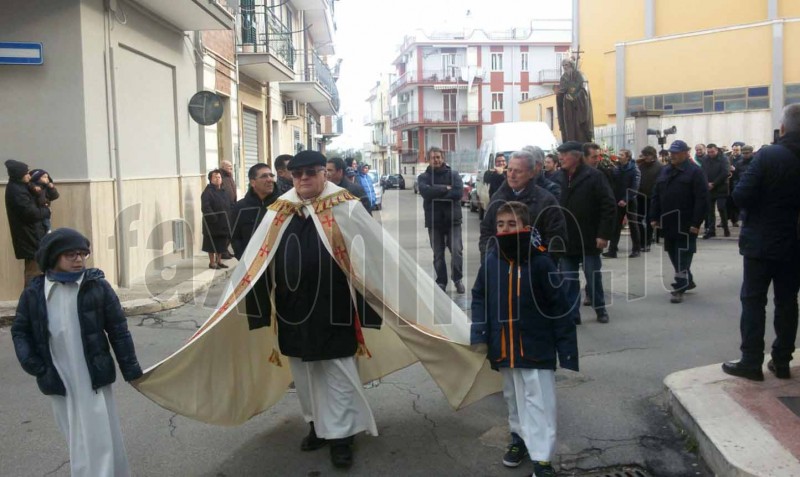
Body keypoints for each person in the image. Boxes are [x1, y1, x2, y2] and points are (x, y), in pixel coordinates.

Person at [11, 228, 142, 477]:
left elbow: (118, 330)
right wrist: (34, 364)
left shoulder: (97, 287)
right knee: (76, 435)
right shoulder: (35, 293)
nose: (79, 259)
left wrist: (131, 368)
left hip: (92, 373)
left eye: (82, 254)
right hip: (58, 374)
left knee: (100, 432)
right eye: (70, 255)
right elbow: (20, 330)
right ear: (53, 257)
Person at [471, 201, 577, 477]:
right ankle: (519, 438)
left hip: (535, 346)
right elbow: (480, 295)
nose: (505, 230)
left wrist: (566, 348)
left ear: (526, 227)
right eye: (500, 225)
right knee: (513, 397)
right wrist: (480, 333)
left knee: (539, 400)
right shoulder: (492, 260)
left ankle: (542, 458)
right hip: (504, 346)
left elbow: (558, 306)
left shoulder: (541, 261)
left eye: (512, 224)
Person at [721, 104, 800, 381]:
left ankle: (751, 361)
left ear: (782, 128)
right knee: (788, 302)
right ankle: (781, 360)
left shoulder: (768, 155)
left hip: (762, 241)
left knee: (753, 301)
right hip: (795, 244)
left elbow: (741, 195)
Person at [554, 141, 617, 324]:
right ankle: (573, 314)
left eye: (564, 154)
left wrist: (604, 234)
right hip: (566, 238)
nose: (561, 158)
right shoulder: (558, 177)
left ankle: (600, 309)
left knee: (593, 276)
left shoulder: (594, 176)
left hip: (590, 237)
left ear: (576, 156)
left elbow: (608, 205)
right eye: (560, 154)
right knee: (568, 280)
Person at [479, 150, 567, 263]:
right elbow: (487, 231)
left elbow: (557, 237)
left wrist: (542, 262)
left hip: (534, 271)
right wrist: (489, 259)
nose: (512, 175)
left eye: (518, 171)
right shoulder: (498, 198)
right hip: (502, 268)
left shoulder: (546, 200)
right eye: (509, 170)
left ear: (531, 173)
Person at [649, 140, 709, 303]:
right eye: (671, 153)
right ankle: (687, 279)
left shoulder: (695, 172)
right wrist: (654, 216)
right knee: (672, 253)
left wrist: (696, 223)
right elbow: (656, 195)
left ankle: (680, 286)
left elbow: (702, 200)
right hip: (668, 221)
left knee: (683, 255)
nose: (672, 155)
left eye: (676, 153)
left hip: (686, 222)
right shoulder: (665, 171)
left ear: (685, 153)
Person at [418, 147, 465, 293]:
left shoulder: (454, 174)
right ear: (429, 159)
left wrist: (435, 193)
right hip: (434, 222)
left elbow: (458, 193)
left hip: (453, 221)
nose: (436, 160)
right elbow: (426, 192)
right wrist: (445, 188)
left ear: (443, 158)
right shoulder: (423, 177)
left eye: (438, 157)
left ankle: (457, 279)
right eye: (433, 157)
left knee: (456, 252)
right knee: (438, 254)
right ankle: (441, 282)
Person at [5, 159, 51, 287]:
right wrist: (46, 211)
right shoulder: (16, 191)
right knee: (34, 272)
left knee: (36, 270)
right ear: (18, 175)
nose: (28, 175)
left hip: (33, 235)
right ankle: (31, 301)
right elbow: (31, 214)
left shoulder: (21, 186)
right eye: (25, 173)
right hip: (29, 237)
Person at [231, 163, 280, 260]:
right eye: (264, 176)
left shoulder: (283, 205)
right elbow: (235, 237)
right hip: (251, 264)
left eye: (271, 175)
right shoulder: (240, 207)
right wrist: (242, 258)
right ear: (253, 182)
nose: (270, 180)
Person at [604, 149, 642, 258]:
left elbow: (635, 188)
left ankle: (636, 249)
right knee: (616, 225)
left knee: (633, 225)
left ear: (627, 157)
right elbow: (613, 183)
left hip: (630, 201)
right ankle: (612, 250)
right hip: (618, 200)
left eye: (621, 155)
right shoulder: (617, 168)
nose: (619, 156)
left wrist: (625, 200)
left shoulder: (634, 170)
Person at [556, 58, 594, 143]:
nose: (564, 67)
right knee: (569, 128)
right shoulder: (563, 77)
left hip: (579, 108)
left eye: (566, 65)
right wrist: (559, 95)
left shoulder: (579, 75)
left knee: (579, 129)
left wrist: (575, 97)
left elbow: (584, 90)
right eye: (563, 65)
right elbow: (562, 90)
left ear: (571, 65)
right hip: (567, 107)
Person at [201, 169, 233, 269]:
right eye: (215, 177)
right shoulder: (208, 192)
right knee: (211, 243)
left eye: (219, 177)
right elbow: (206, 207)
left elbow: (228, 204)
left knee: (221, 243)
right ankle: (212, 262)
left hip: (223, 221)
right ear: (210, 179)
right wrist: (213, 218)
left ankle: (219, 261)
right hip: (212, 223)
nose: (218, 179)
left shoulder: (223, 191)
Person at [635, 146, 663, 252]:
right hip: (640, 196)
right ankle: (641, 241)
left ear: (653, 155)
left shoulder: (659, 167)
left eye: (648, 155)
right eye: (644, 155)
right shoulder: (640, 165)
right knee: (638, 219)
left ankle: (647, 243)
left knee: (649, 221)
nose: (645, 157)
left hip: (652, 197)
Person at [701, 143, 731, 238]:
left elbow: (725, 172)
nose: (711, 154)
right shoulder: (705, 159)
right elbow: (703, 171)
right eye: (709, 152)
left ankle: (726, 228)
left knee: (721, 208)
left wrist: (714, 183)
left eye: (712, 152)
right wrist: (706, 183)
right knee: (710, 210)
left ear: (717, 150)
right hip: (709, 187)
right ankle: (711, 230)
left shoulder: (723, 158)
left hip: (721, 187)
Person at [28, 168, 60, 233]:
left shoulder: (46, 187)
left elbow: (55, 196)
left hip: (45, 208)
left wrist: (52, 188)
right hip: (37, 209)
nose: (47, 179)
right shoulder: (33, 185)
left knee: (47, 222)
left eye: (47, 177)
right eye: (44, 177)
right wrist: (35, 188)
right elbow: (32, 189)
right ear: (37, 178)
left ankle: (48, 230)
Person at [726, 142, 745, 228]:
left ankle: (735, 220)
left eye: (737, 150)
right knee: (727, 202)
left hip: (737, 182)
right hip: (728, 183)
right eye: (734, 150)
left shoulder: (742, 159)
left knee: (735, 203)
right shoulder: (729, 157)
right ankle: (725, 220)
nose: (735, 151)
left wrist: (735, 169)